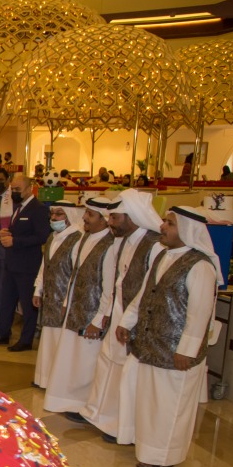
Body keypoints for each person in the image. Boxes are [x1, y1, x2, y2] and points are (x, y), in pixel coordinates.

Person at [116, 207, 220, 467]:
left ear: (187, 230)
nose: (163, 227)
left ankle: (164, 456)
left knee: (170, 405)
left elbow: (200, 313)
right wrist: (127, 321)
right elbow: (143, 293)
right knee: (148, 400)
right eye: (164, 221)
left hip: (176, 351)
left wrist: (187, 349)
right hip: (151, 343)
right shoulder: (162, 255)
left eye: (170, 224)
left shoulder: (200, 266)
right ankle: (146, 445)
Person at [79, 189, 164, 442]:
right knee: (108, 363)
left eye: (115, 217)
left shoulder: (154, 244)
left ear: (132, 217)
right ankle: (99, 415)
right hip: (118, 312)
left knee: (127, 374)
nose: (111, 222)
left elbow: (150, 289)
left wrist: (129, 319)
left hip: (137, 319)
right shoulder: (124, 240)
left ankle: (123, 428)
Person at [42, 198, 118, 413]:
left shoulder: (109, 246)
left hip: (92, 314)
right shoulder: (87, 239)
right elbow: (74, 276)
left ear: (104, 221)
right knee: (71, 361)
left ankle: (83, 406)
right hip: (75, 310)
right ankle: (69, 403)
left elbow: (109, 287)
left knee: (86, 364)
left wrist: (98, 319)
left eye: (90, 215)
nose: (84, 218)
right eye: (85, 213)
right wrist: (67, 301)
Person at [0, 173, 50, 351]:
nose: (14, 192)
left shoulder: (38, 209)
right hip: (11, 262)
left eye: (18, 189)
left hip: (27, 265)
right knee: (6, 301)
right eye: (13, 189)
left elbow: (42, 236)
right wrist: (6, 234)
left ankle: (26, 339)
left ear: (29, 189)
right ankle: (3, 333)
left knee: (28, 305)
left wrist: (16, 241)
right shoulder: (17, 207)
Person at [31, 201, 83, 390]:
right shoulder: (53, 236)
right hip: (50, 296)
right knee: (49, 337)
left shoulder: (78, 239)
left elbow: (77, 274)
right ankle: (44, 378)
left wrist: (67, 300)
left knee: (62, 341)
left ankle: (58, 382)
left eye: (59, 214)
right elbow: (45, 266)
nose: (54, 218)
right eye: (52, 214)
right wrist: (38, 289)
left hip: (65, 298)